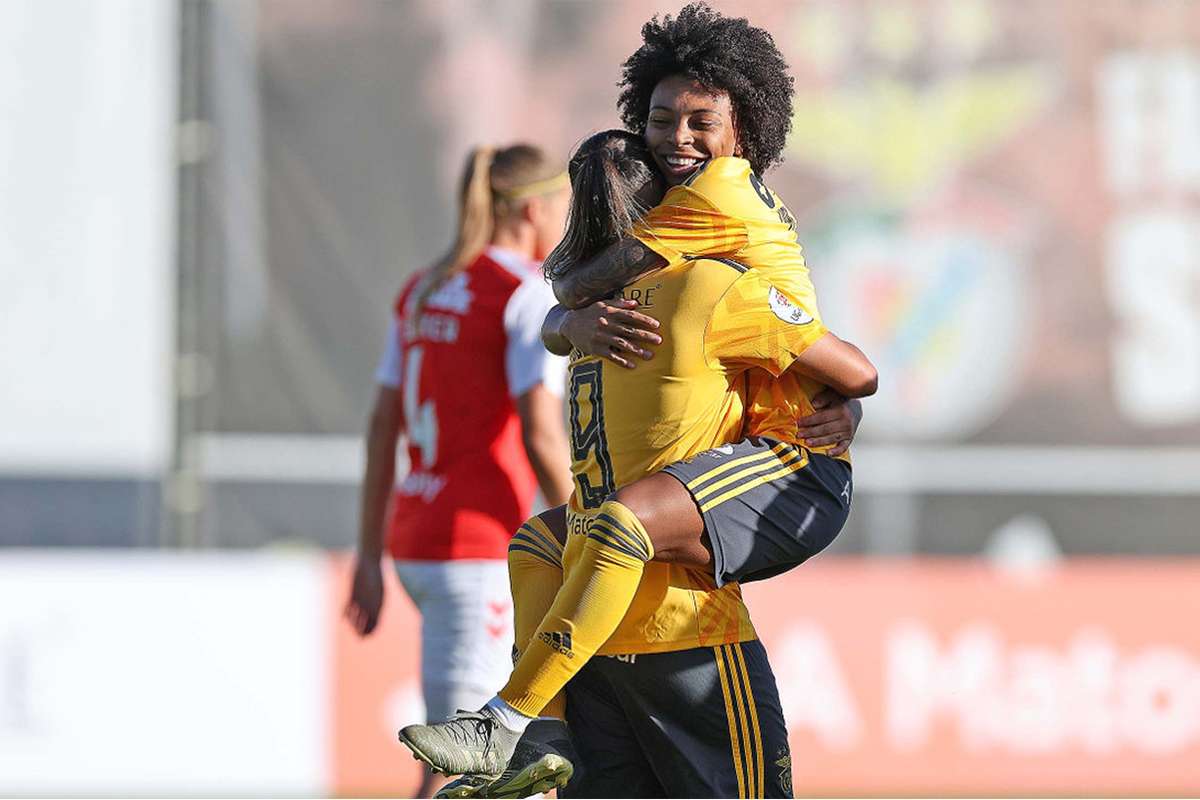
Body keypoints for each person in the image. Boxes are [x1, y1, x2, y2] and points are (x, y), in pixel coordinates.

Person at [405, 6, 876, 798]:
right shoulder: (676, 285)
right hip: (692, 588)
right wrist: (571, 321)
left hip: (791, 463)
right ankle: (537, 728)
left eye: (700, 120)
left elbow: (572, 278)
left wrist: (568, 310)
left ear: (745, 128)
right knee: (548, 538)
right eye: (662, 121)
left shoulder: (705, 225)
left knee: (605, 525)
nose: (679, 137)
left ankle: (516, 720)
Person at [345, 144, 575, 797]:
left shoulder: (424, 288)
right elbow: (541, 433)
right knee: (464, 771)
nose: (567, 220)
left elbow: (382, 428)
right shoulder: (523, 294)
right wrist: (587, 536)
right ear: (534, 209)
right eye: (563, 205)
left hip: (418, 540)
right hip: (477, 551)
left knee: (495, 767)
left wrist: (368, 554)